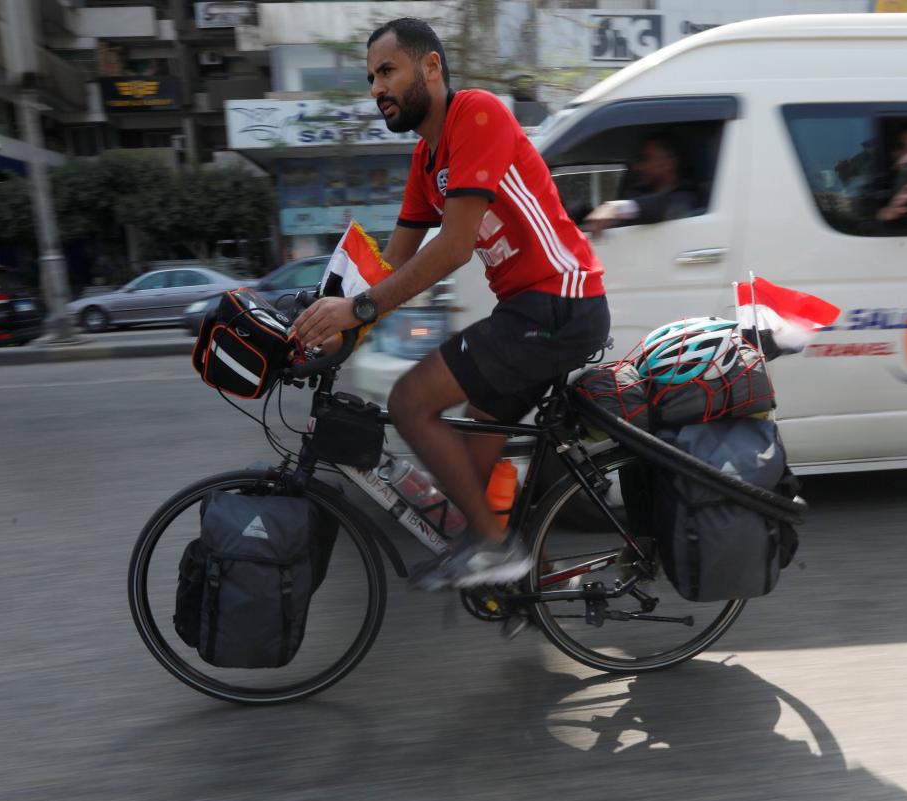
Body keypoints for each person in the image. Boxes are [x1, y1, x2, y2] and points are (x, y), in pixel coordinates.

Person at [292, 17, 610, 590]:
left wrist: (361, 313)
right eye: (369, 78)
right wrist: (336, 324)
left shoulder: (479, 113)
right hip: (529, 312)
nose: (376, 89)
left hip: (560, 305)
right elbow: (393, 263)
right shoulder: (425, 160)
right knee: (466, 468)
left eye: (387, 71)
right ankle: (524, 579)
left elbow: (455, 247)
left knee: (411, 403)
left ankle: (498, 550)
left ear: (431, 67)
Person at [581, 133, 701, 236]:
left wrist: (615, 208)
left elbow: (661, 205)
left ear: (669, 163)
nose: (638, 167)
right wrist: (581, 212)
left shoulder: (685, 195)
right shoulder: (640, 191)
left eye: (645, 159)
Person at [861, 124, 907, 225]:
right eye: (900, 146)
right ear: (892, 152)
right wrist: (884, 214)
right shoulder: (879, 182)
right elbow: (860, 214)